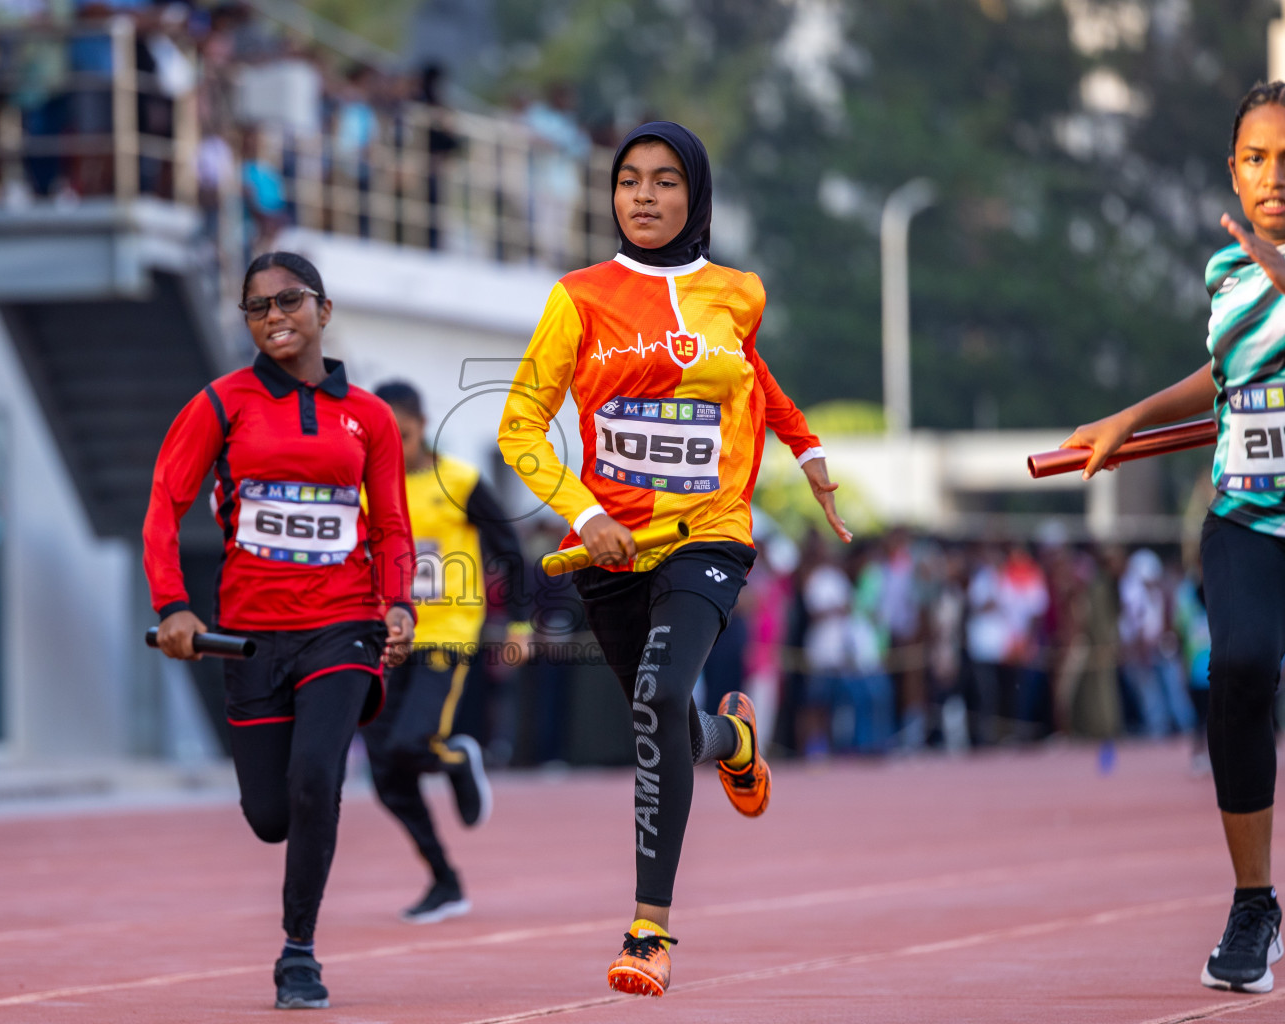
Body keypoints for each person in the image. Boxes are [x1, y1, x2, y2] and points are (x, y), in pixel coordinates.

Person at [497, 120, 850, 997]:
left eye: (664, 181)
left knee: (657, 696)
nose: (644, 196)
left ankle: (649, 930)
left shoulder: (738, 291)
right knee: (666, 723)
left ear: (695, 196)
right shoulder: (575, 298)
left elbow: (752, 378)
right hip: (610, 549)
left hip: (711, 534)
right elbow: (520, 427)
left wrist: (806, 451)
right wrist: (583, 514)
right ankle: (731, 738)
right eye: (629, 181)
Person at [144, 251, 415, 1010]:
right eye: (257, 308)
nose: (274, 317)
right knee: (271, 815)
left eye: (289, 301)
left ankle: (299, 951)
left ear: (323, 312)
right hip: (250, 638)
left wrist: (397, 604)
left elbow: (394, 525)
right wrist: (173, 606)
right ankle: (296, 880)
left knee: (315, 778)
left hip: (344, 628)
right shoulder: (220, 405)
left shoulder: (370, 417)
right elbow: (164, 506)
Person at [1060, 82, 1285, 994]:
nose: (1275, 177)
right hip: (1246, 514)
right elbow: (1228, 370)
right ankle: (1254, 904)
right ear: (1233, 168)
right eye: (1258, 159)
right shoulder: (1227, 271)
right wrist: (1135, 416)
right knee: (1236, 671)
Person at [365, 380, 532, 925]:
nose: (396, 447)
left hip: (446, 632)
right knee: (386, 774)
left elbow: (510, 549)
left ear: (422, 425)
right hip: (386, 637)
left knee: (413, 741)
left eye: (404, 435)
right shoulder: (367, 489)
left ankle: (457, 756)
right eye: (383, 437)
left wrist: (521, 624)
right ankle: (444, 879)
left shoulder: (458, 480)